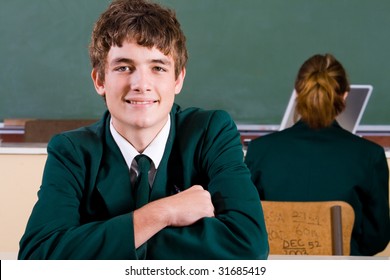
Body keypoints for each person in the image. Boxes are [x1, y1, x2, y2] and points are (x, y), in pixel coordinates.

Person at [18, 0, 269, 260]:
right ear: (100, 80)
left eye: (158, 68)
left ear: (178, 79)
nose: (141, 84)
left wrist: (111, 242)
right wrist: (161, 213)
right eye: (124, 67)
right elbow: (38, 257)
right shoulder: (72, 152)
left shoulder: (211, 132)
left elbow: (248, 245)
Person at [245, 53, 390, 256]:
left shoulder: (260, 151)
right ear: (345, 95)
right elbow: (377, 237)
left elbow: (247, 224)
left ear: (297, 92)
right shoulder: (370, 155)